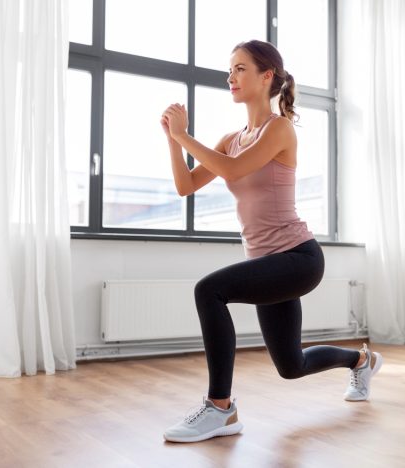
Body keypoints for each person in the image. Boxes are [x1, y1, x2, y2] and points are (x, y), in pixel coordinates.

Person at [159, 39, 383, 444]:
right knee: (291, 365)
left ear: (267, 77)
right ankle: (362, 360)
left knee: (209, 290)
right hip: (270, 263)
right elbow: (185, 185)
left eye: (240, 69)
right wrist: (174, 141)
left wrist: (186, 135)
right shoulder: (232, 137)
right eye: (230, 70)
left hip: (298, 258)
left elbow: (233, 169)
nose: (231, 77)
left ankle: (220, 408)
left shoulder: (278, 129)